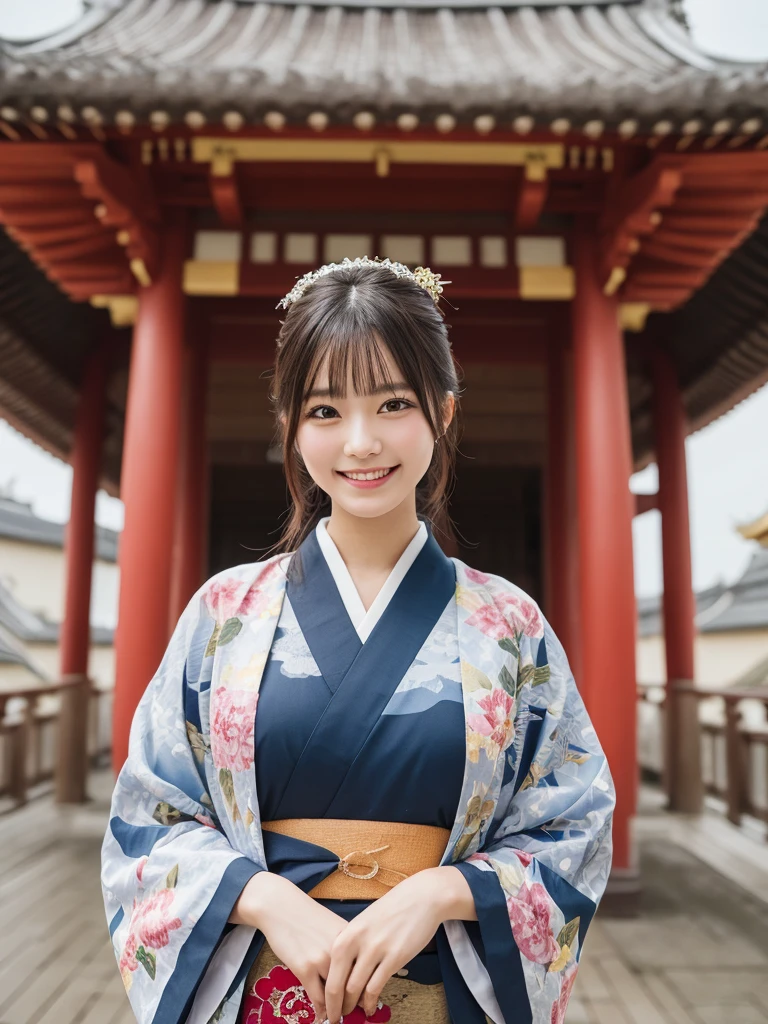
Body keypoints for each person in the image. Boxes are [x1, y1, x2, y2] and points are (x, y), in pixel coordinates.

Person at [101, 256, 615, 1024]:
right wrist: (263, 896)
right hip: (264, 991)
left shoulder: (510, 626)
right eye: (325, 412)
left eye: (393, 403)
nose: (363, 442)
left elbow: (572, 821)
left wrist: (445, 891)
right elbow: (152, 819)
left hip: (443, 993)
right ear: (290, 426)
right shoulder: (223, 614)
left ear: (441, 412)